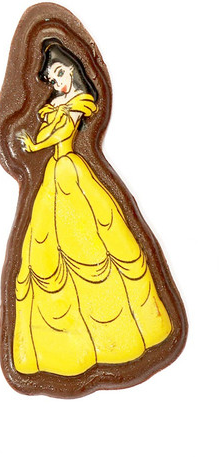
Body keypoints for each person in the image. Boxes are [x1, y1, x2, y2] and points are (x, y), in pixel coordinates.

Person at [13, 41, 171, 376]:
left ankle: (121, 338)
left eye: (60, 74)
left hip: (71, 171)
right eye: (52, 79)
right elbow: (51, 127)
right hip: (54, 174)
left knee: (93, 243)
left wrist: (35, 144)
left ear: (72, 70)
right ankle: (62, 350)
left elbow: (62, 132)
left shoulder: (80, 101)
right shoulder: (55, 104)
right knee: (47, 249)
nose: (57, 83)